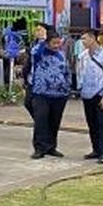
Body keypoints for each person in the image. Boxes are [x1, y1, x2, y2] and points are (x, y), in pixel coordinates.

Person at [29, 31, 70, 159]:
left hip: (59, 94)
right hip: (41, 93)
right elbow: (35, 53)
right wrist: (42, 40)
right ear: (47, 43)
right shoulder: (39, 53)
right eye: (54, 43)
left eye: (59, 43)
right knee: (41, 120)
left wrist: (67, 87)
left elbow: (66, 70)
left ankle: (51, 147)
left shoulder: (61, 55)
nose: (57, 45)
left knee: (54, 121)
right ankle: (39, 148)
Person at [78, 31, 103, 163]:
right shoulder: (83, 55)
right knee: (91, 123)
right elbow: (81, 72)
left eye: (85, 38)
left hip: (100, 93)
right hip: (87, 93)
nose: (82, 41)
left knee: (102, 123)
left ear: (93, 38)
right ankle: (96, 149)